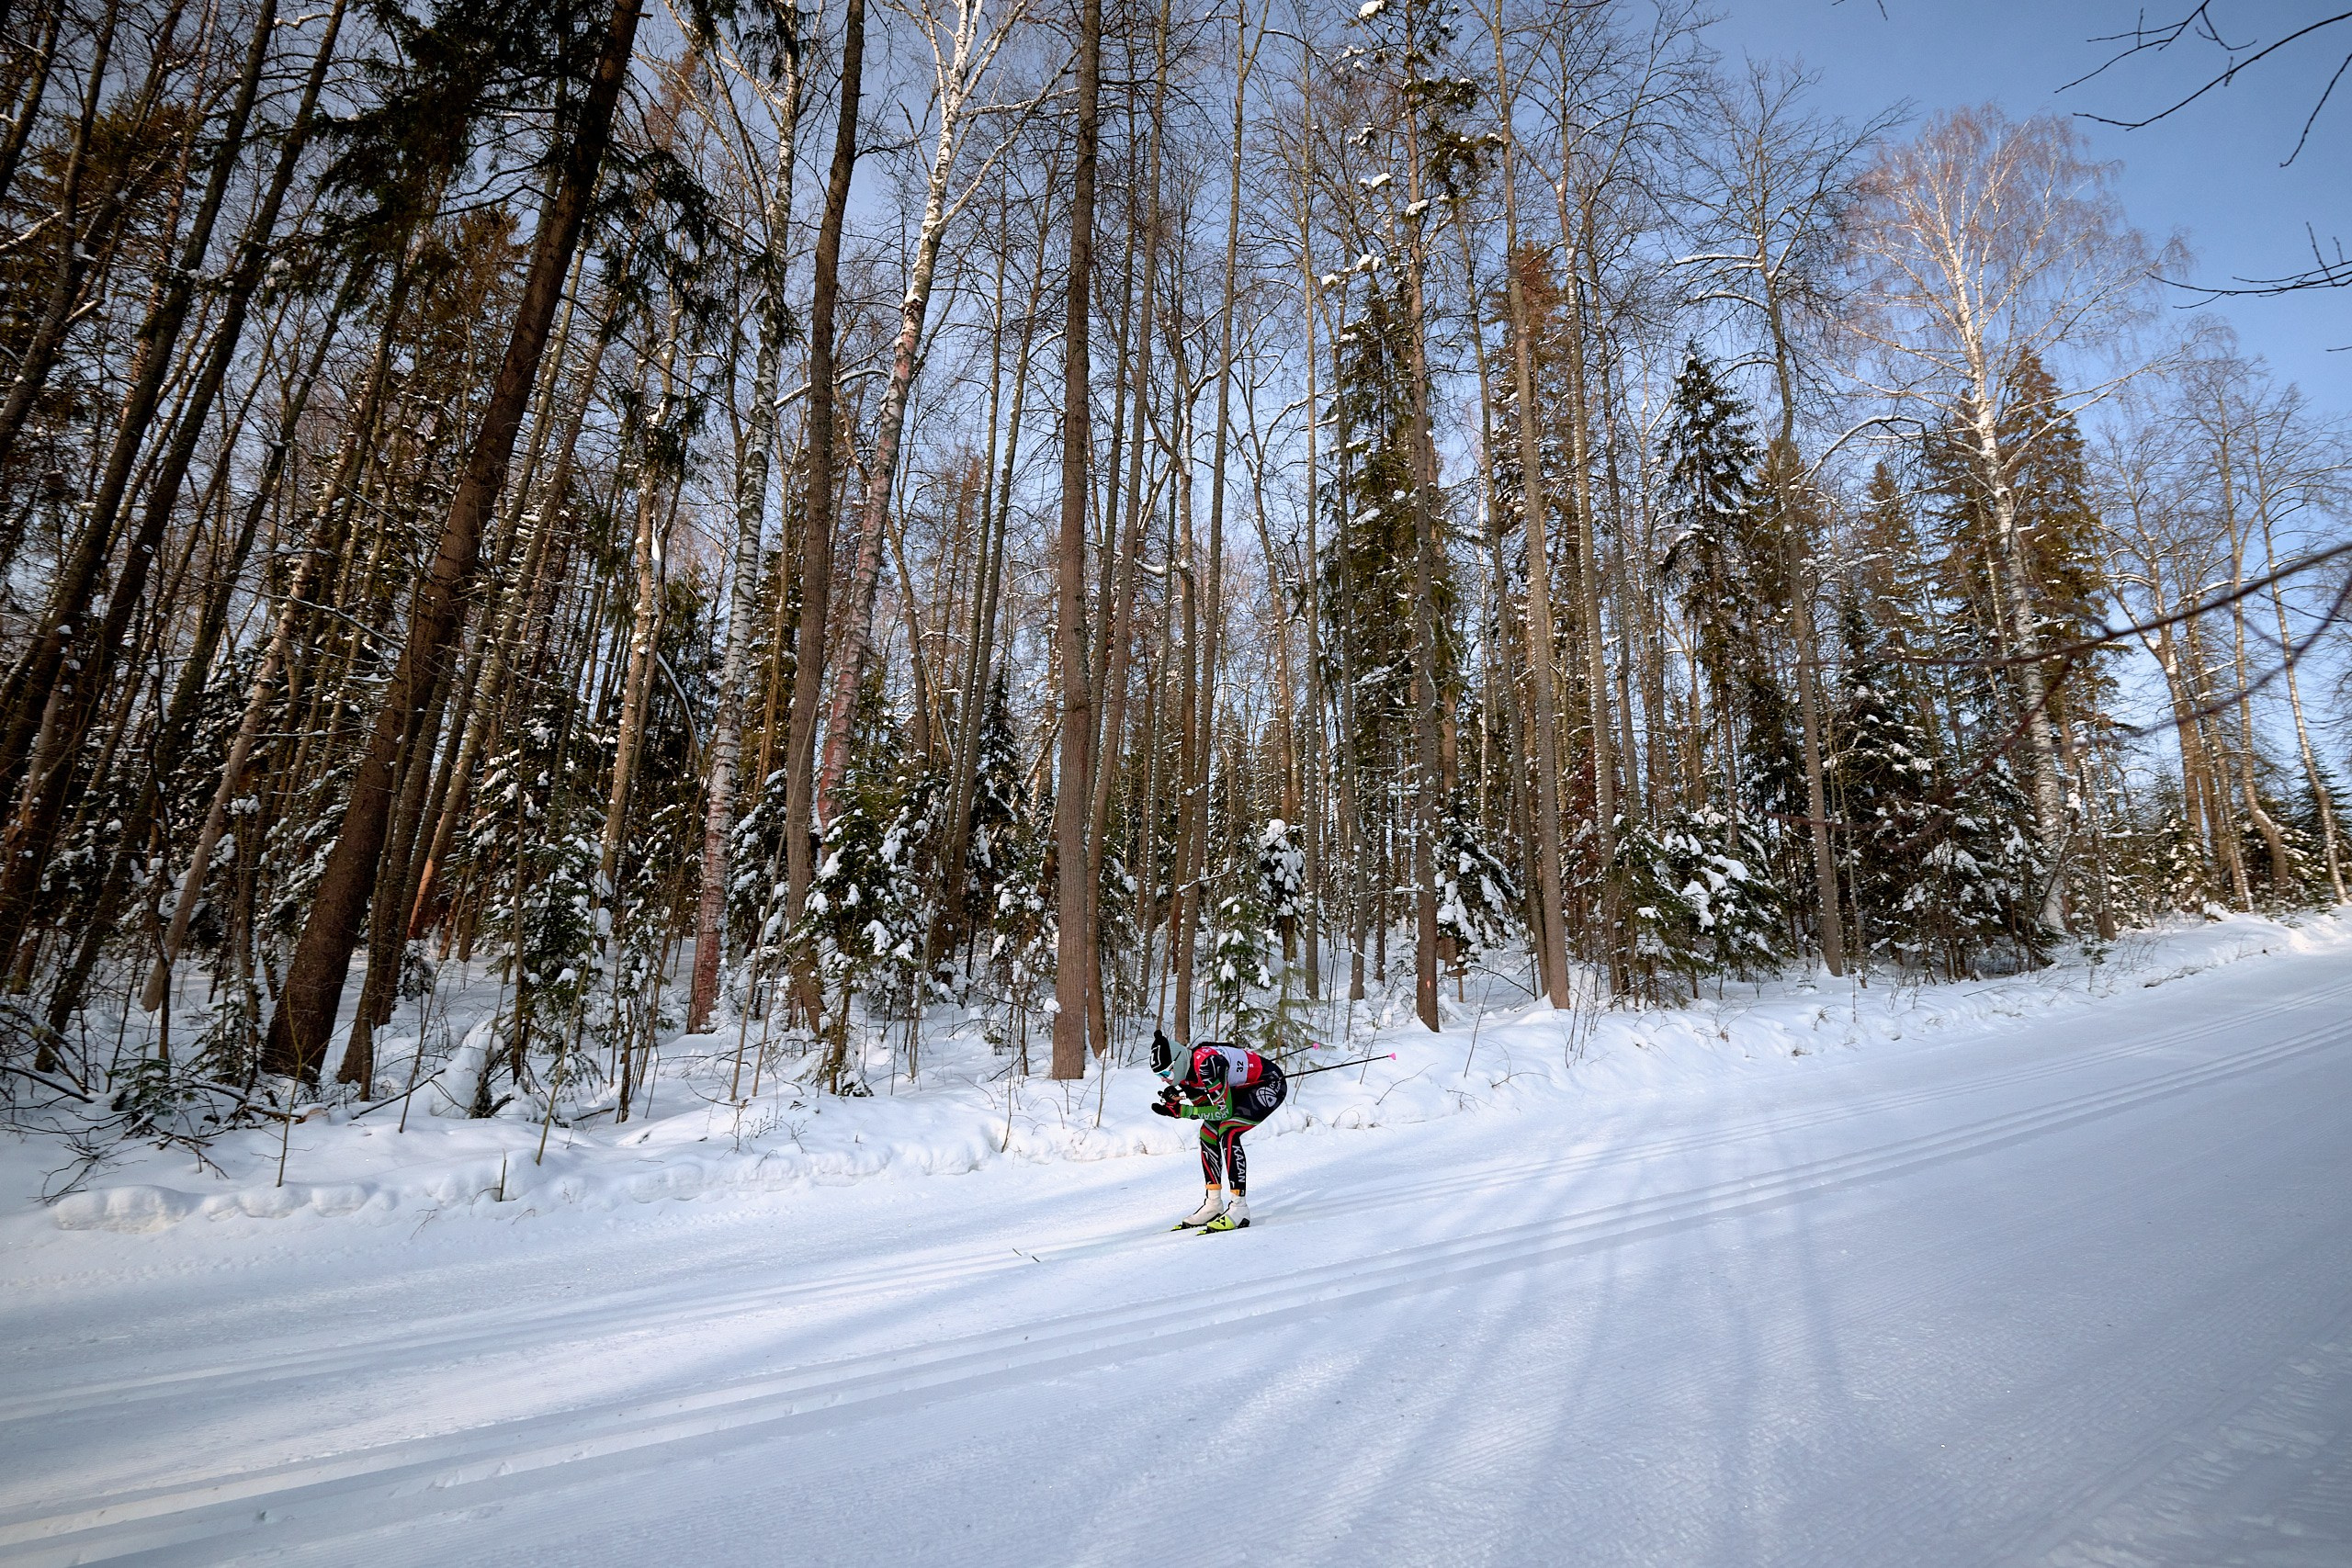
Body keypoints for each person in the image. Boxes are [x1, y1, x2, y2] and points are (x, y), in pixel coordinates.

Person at [1150, 1027, 1286, 1232]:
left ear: (1177, 1062)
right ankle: (1213, 1203)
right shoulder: (1186, 1073)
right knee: (1208, 1133)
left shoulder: (1207, 1065)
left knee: (1229, 1131)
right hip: (1240, 1088)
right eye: (1159, 1075)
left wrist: (1184, 1111)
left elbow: (1222, 1111)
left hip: (1268, 1084)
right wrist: (1179, 1102)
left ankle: (1239, 1208)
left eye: (1166, 1072)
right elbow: (1205, 1107)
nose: (1163, 1078)